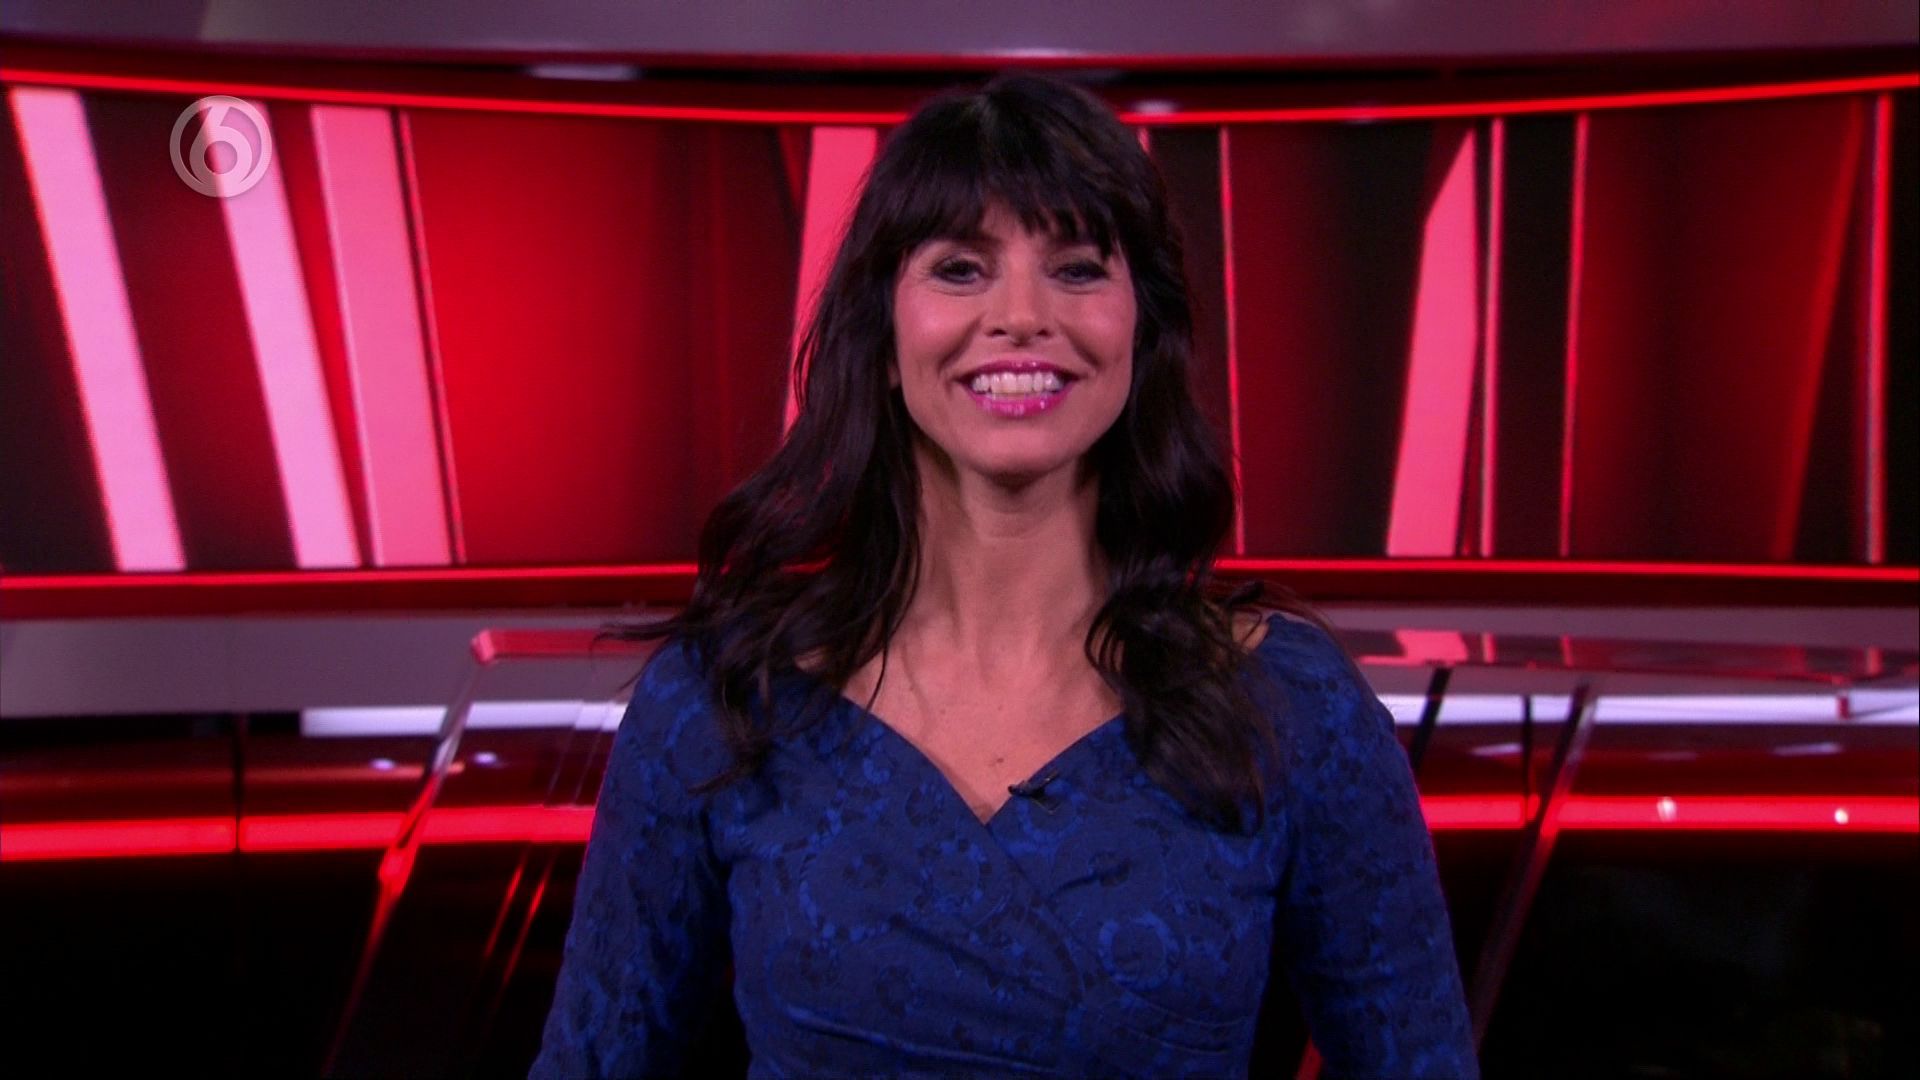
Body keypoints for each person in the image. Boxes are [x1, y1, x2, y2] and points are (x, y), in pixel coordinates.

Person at [531, 70, 1477, 1079]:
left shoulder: (1291, 707)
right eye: (960, 269)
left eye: (1076, 268)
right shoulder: (722, 702)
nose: (1022, 315)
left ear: (1141, 332)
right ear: (884, 338)